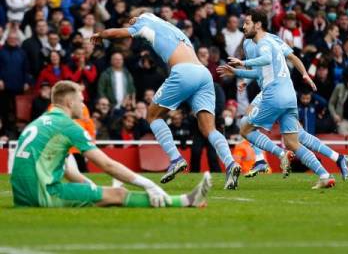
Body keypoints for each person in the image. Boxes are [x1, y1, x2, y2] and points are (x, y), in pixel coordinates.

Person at [91, 11, 241, 188]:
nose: (132, 21)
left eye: (135, 17)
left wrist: (100, 35)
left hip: (184, 72)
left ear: (144, 16)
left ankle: (175, 158)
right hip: (203, 74)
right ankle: (231, 164)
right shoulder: (174, 30)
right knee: (209, 128)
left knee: (153, 116)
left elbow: (115, 33)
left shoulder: (145, 24)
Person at [10, 81, 211, 208]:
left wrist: (91, 189)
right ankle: (185, 201)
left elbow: (67, 169)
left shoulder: (37, 124)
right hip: (41, 195)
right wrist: (148, 184)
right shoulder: (68, 126)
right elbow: (107, 165)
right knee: (118, 193)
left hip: (22, 197)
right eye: (81, 101)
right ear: (70, 103)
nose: (83, 105)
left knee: (99, 196)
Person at [219, 24, 348, 180]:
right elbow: (265, 69)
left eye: (247, 23)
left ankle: (266, 158)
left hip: (272, 92)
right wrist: (245, 80)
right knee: (296, 137)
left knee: (246, 124)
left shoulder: (264, 42)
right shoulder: (264, 41)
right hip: (287, 92)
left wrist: (304, 74)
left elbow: (281, 60)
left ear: (257, 25)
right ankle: (333, 164)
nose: (244, 26)